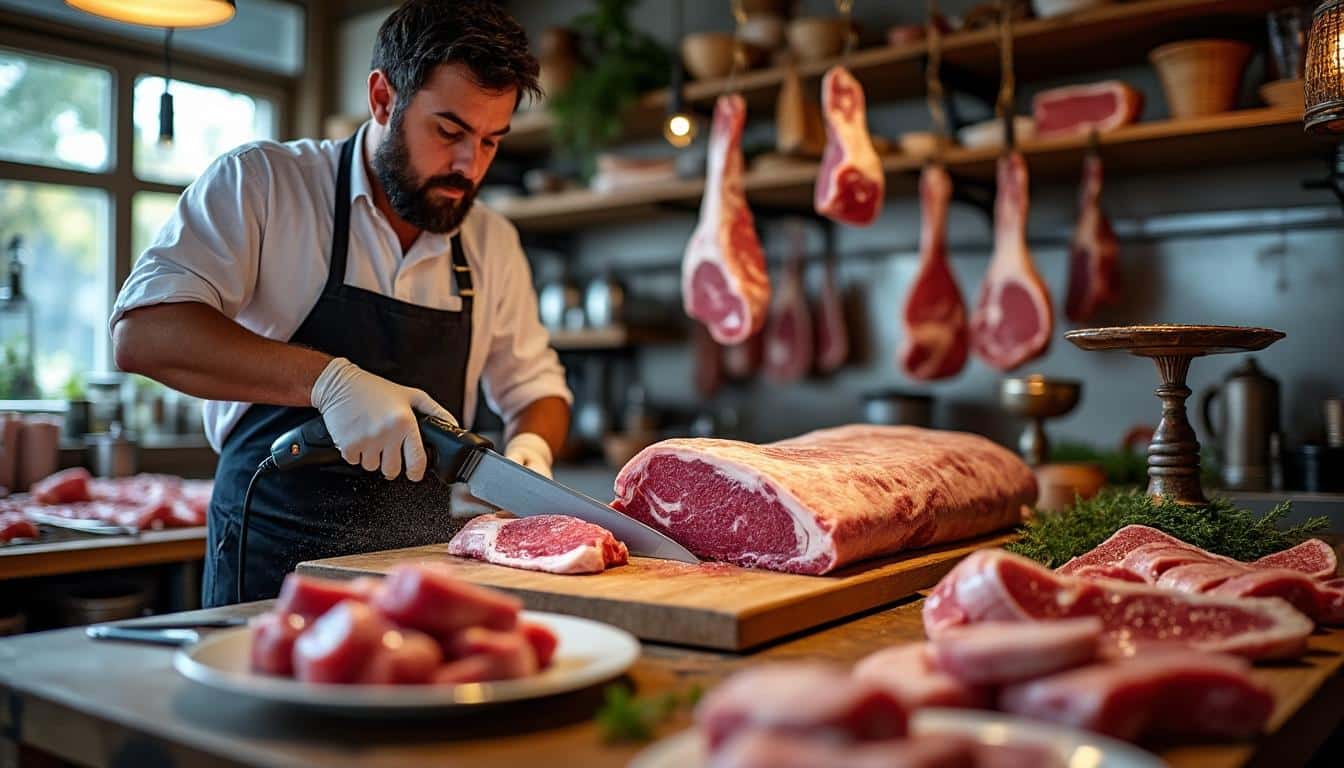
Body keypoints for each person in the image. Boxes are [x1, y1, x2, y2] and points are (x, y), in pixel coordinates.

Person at [110, 0, 571, 606]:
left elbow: (537, 387)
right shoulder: (264, 184)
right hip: (270, 561)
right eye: (450, 131)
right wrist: (328, 382)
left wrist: (530, 453)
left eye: (491, 141)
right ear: (383, 98)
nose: (470, 166)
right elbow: (144, 333)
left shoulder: (491, 242)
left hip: (417, 573)